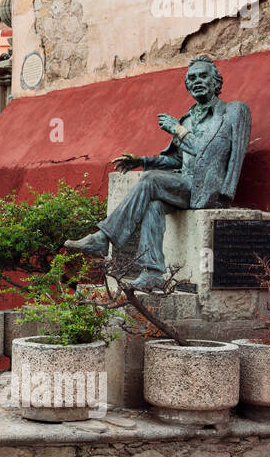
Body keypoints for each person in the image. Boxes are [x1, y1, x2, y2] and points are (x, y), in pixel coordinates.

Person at [65, 55, 251, 290]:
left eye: (203, 76)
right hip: (185, 185)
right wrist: (142, 161)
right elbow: (175, 159)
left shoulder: (233, 112)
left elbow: (208, 152)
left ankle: (103, 238)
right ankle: (153, 272)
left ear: (216, 82)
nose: (197, 81)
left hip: (208, 189)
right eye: (192, 78)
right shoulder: (187, 119)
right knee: (153, 204)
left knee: (151, 180)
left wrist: (177, 130)